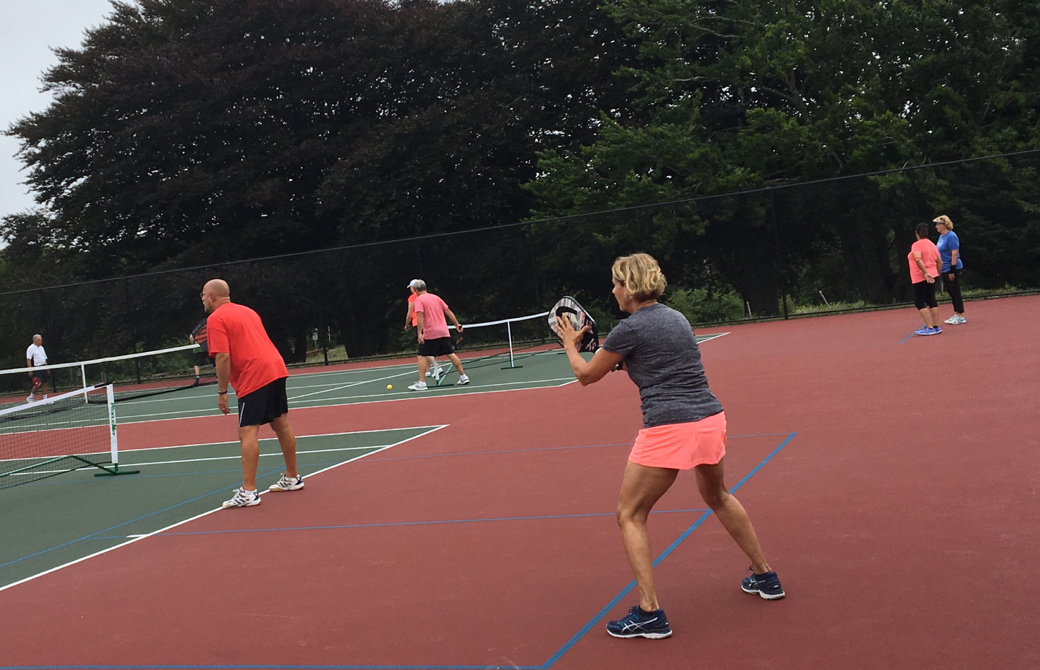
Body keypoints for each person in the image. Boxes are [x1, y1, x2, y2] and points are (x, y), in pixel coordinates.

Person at [556, 253, 783, 640]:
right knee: (719, 496)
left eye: (616, 283)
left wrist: (569, 345)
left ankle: (649, 613)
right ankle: (766, 576)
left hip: (669, 427)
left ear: (629, 286)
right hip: (710, 419)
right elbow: (651, 362)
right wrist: (617, 358)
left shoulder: (629, 329)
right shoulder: (676, 318)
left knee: (629, 514)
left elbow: (585, 376)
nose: (612, 290)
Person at [201, 279, 304, 508]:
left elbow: (223, 357)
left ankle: (248, 492)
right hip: (275, 367)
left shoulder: (215, 319)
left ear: (212, 297)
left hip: (254, 374)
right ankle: (292, 477)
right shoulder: (248, 311)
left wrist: (222, 391)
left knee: (247, 431)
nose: (202, 299)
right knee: (281, 423)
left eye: (203, 295)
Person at [407, 280, 469, 391]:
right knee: (450, 353)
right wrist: (457, 324)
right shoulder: (436, 298)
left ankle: (421, 383)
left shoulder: (419, 300)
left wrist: (420, 333)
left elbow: (420, 316)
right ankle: (463, 376)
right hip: (443, 331)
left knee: (421, 355)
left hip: (431, 332)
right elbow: (448, 312)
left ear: (416, 290)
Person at [908, 222, 943, 336]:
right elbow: (940, 261)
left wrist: (926, 273)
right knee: (931, 299)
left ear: (916, 233)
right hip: (933, 275)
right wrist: (937, 273)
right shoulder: (932, 244)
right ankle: (936, 326)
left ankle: (929, 327)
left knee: (919, 301)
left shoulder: (916, 245)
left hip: (920, 277)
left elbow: (918, 259)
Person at [405, 280, 442, 380]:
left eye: (411, 287)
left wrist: (407, 324)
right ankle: (427, 370)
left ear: (414, 288)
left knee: (423, 349)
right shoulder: (428, 296)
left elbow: (409, 314)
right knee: (425, 346)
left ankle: (437, 367)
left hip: (418, 323)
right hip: (427, 323)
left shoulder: (413, 297)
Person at [934, 215, 966, 325]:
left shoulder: (951, 236)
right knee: (951, 291)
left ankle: (961, 315)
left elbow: (954, 253)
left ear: (944, 225)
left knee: (955, 290)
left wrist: (952, 270)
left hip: (952, 267)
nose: (936, 226)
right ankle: (957, 312)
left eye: (938, 224)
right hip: (944, 267)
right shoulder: (941, 237)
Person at [25, 334, 50, 402]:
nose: (40, 341)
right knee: (38, 383)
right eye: (39, 340)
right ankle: (31, 397)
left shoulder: (42, 347)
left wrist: (47, 367)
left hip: (43, 367)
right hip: (37, 368)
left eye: (41, 340)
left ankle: (45, 398)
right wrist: (30, 370)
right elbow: (28, 359)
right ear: (34, 340)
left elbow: (44, 358)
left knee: (45, 382)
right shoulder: (30, 348)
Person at [189, 316, 210, 384]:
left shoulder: (197, 328)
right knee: (215, 362)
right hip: (207, 347)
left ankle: (197, 376)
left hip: (198, 348)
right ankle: (218, 377)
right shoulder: (208, 326)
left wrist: (193, 345)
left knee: (197, 364)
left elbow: (191, 337)